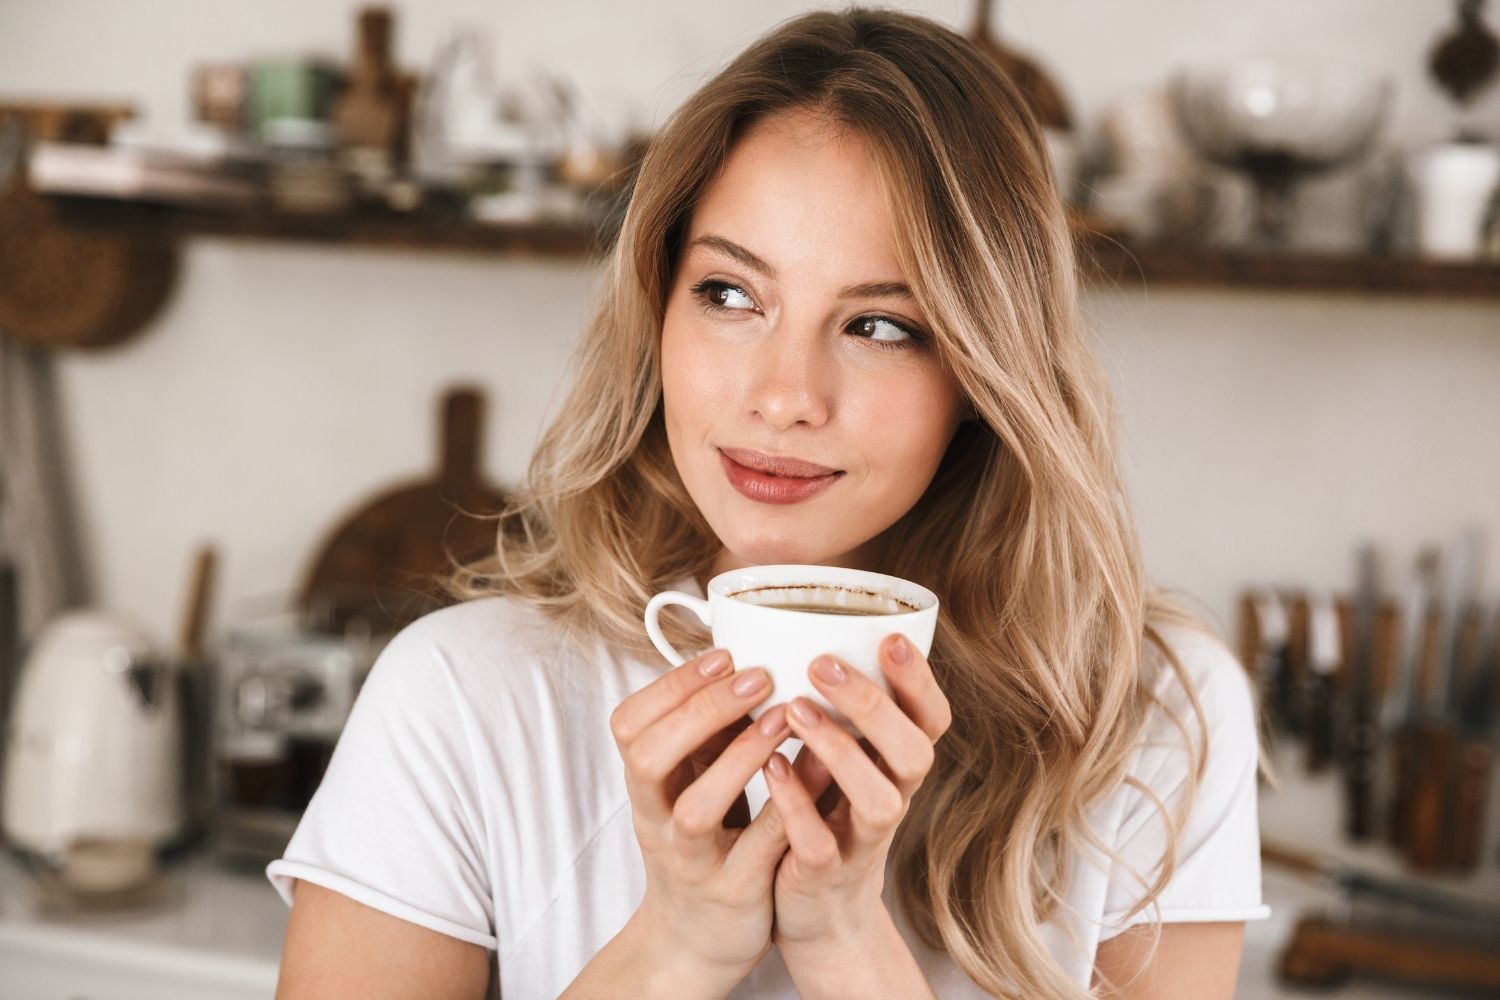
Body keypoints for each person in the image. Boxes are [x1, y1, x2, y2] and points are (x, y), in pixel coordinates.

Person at [269, 8, 1269, 999]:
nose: (786, 396)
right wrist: (679, 945)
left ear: (982, 375)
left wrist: (845, 940)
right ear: (657, 308)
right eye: (732, 295)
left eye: (879, 324)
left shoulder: (1150, 720)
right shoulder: (460, 698)